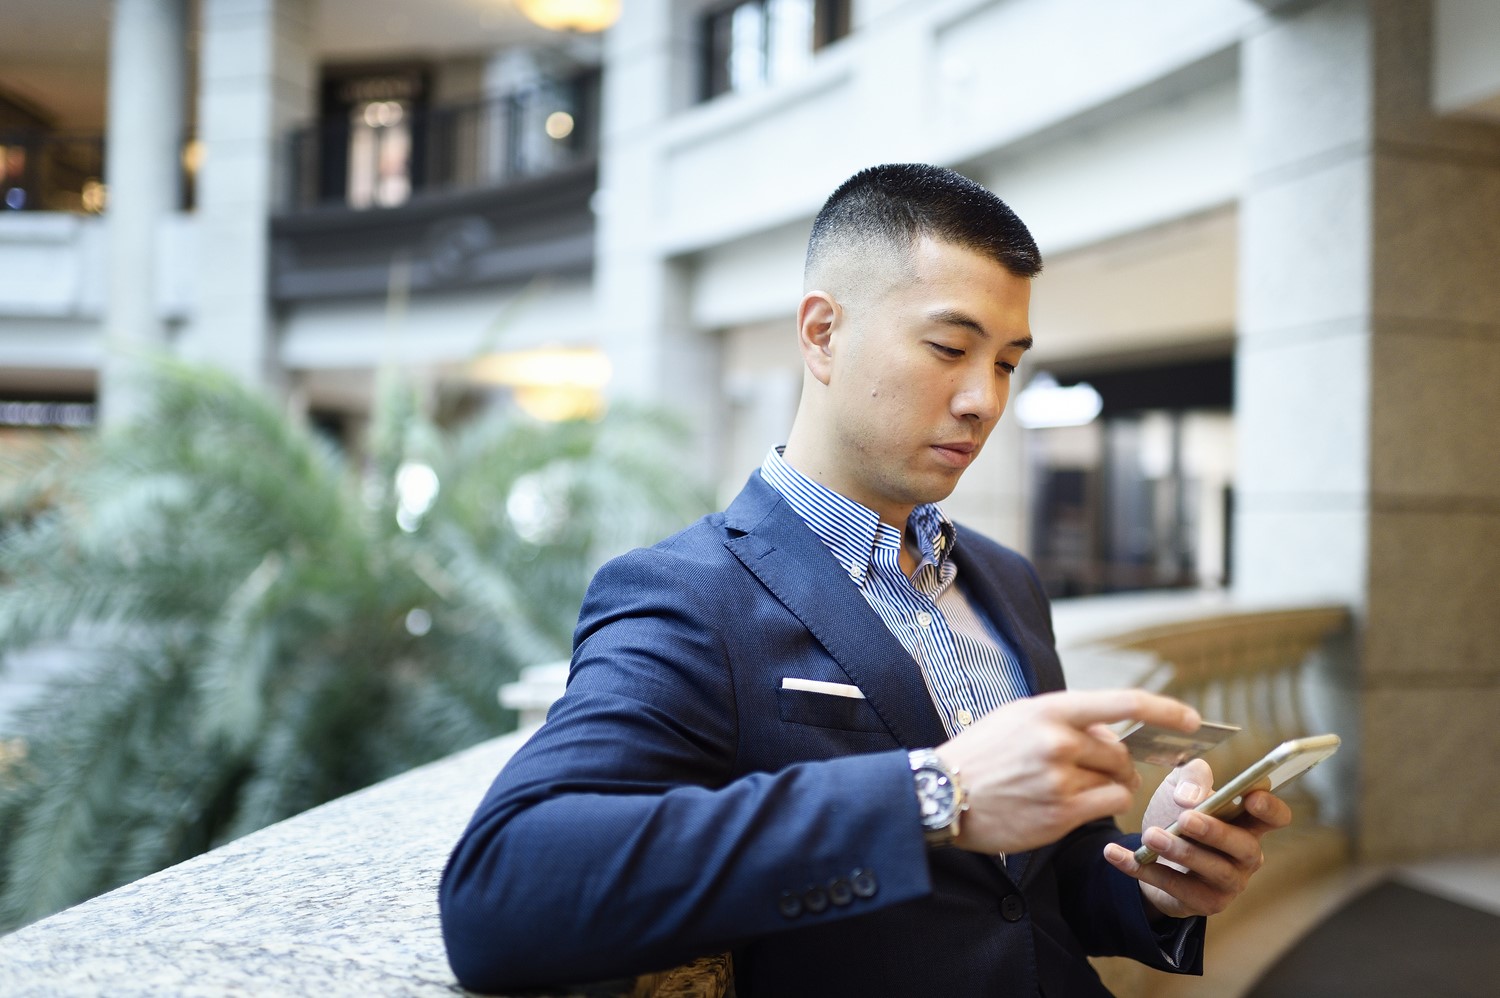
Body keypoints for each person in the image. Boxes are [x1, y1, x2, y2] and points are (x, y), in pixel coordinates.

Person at [439, 164, 1292, 996]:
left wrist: (1148, 882)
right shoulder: (685, 595)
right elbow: (501, 892)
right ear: (821, 335)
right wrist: (936, 793)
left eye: (1005, 362)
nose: (984, 400)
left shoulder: (1006, 579)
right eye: (950, 348)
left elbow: (1029, 887)